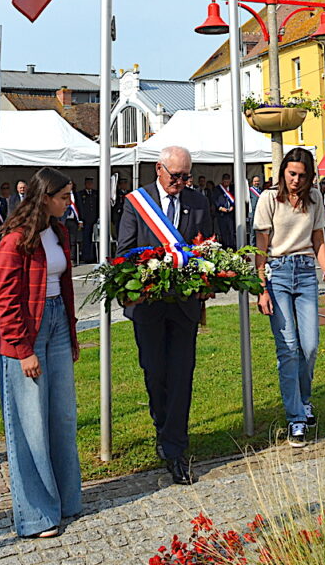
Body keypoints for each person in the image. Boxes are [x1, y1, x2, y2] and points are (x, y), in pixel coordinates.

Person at [117, 146, 213, 485]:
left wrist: (207, 274)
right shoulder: (137, 203)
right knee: (155, 372)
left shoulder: (198, 202)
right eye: (176, 176)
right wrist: (150, 271)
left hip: (185, 305)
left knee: (182, 374)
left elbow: (208, 247)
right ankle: (162, 425)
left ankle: (175, 447)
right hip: (149, 305)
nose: (182, 182)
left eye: (187, 176)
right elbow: (124, 252)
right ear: (159, 169)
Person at [0, 168, 81, 538]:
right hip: (27, 335)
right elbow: (5, 298)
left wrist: (71, 336)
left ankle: (65, 500)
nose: (69, 203)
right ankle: (37, 515)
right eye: (64, 197)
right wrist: (23, 350)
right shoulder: (15, 240)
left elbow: (62, 285)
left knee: (61, 416)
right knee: (30, 425)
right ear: (45, 197)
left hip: (58, 321)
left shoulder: (57, 231)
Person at [253, 148, 325, 448]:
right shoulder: (267, 200)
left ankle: (304, 400)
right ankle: (296, 419)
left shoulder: (314, 200)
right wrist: (261, 288)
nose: (296, 181)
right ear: (283, 172)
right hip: (277, 273)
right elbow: (260, 246)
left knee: (310, 345)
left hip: (305, 272)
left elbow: (318, 239)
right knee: (288, 348)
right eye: (291, 174)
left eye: (302, 175)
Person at [77, 176, 98, 264]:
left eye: (91, 183)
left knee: (95, 238)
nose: (90, 185)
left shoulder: (96, 193)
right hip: (85, 220)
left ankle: (94, 256)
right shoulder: (80, 194)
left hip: (95, 219)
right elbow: (80, 207)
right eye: (88, 183)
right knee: (86, 239)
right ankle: (86, 257)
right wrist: (80, 219)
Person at [213, 173, 236, 248]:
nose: (227, 183)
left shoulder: (233, 188)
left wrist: (233, 206)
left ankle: (232, 246)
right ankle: (225, 246)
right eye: (225, 181)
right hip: (221, 213)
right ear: (222, 180)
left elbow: (235, 199)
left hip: (230, 213)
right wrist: (220, 208)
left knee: (231, 230)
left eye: (228, 181)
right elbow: (214, 200)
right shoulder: (217, 189)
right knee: (223, 231)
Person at [248, 175, 262, 243]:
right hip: (253, 213)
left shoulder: (261, 190)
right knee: (252, 232)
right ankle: (252, 246)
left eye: (258, 181)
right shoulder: (249, 191)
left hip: (260, 213)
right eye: (255, 181)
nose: (257, 182)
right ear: (252, 182)